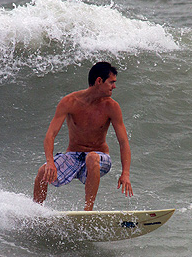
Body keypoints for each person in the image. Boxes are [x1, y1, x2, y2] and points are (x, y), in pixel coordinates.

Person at [33, 61, 133, 211]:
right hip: (74, 156)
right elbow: (50, 135)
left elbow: (123, 142)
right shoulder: (70, 102)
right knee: (43, 171)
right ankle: (36, 212)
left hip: (99, 157)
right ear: (99, 81)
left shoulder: (112, 107)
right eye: (111, 82)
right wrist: (50, 162)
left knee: (92, 157)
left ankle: (87, 212)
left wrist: (125, 174)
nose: (114, 86)